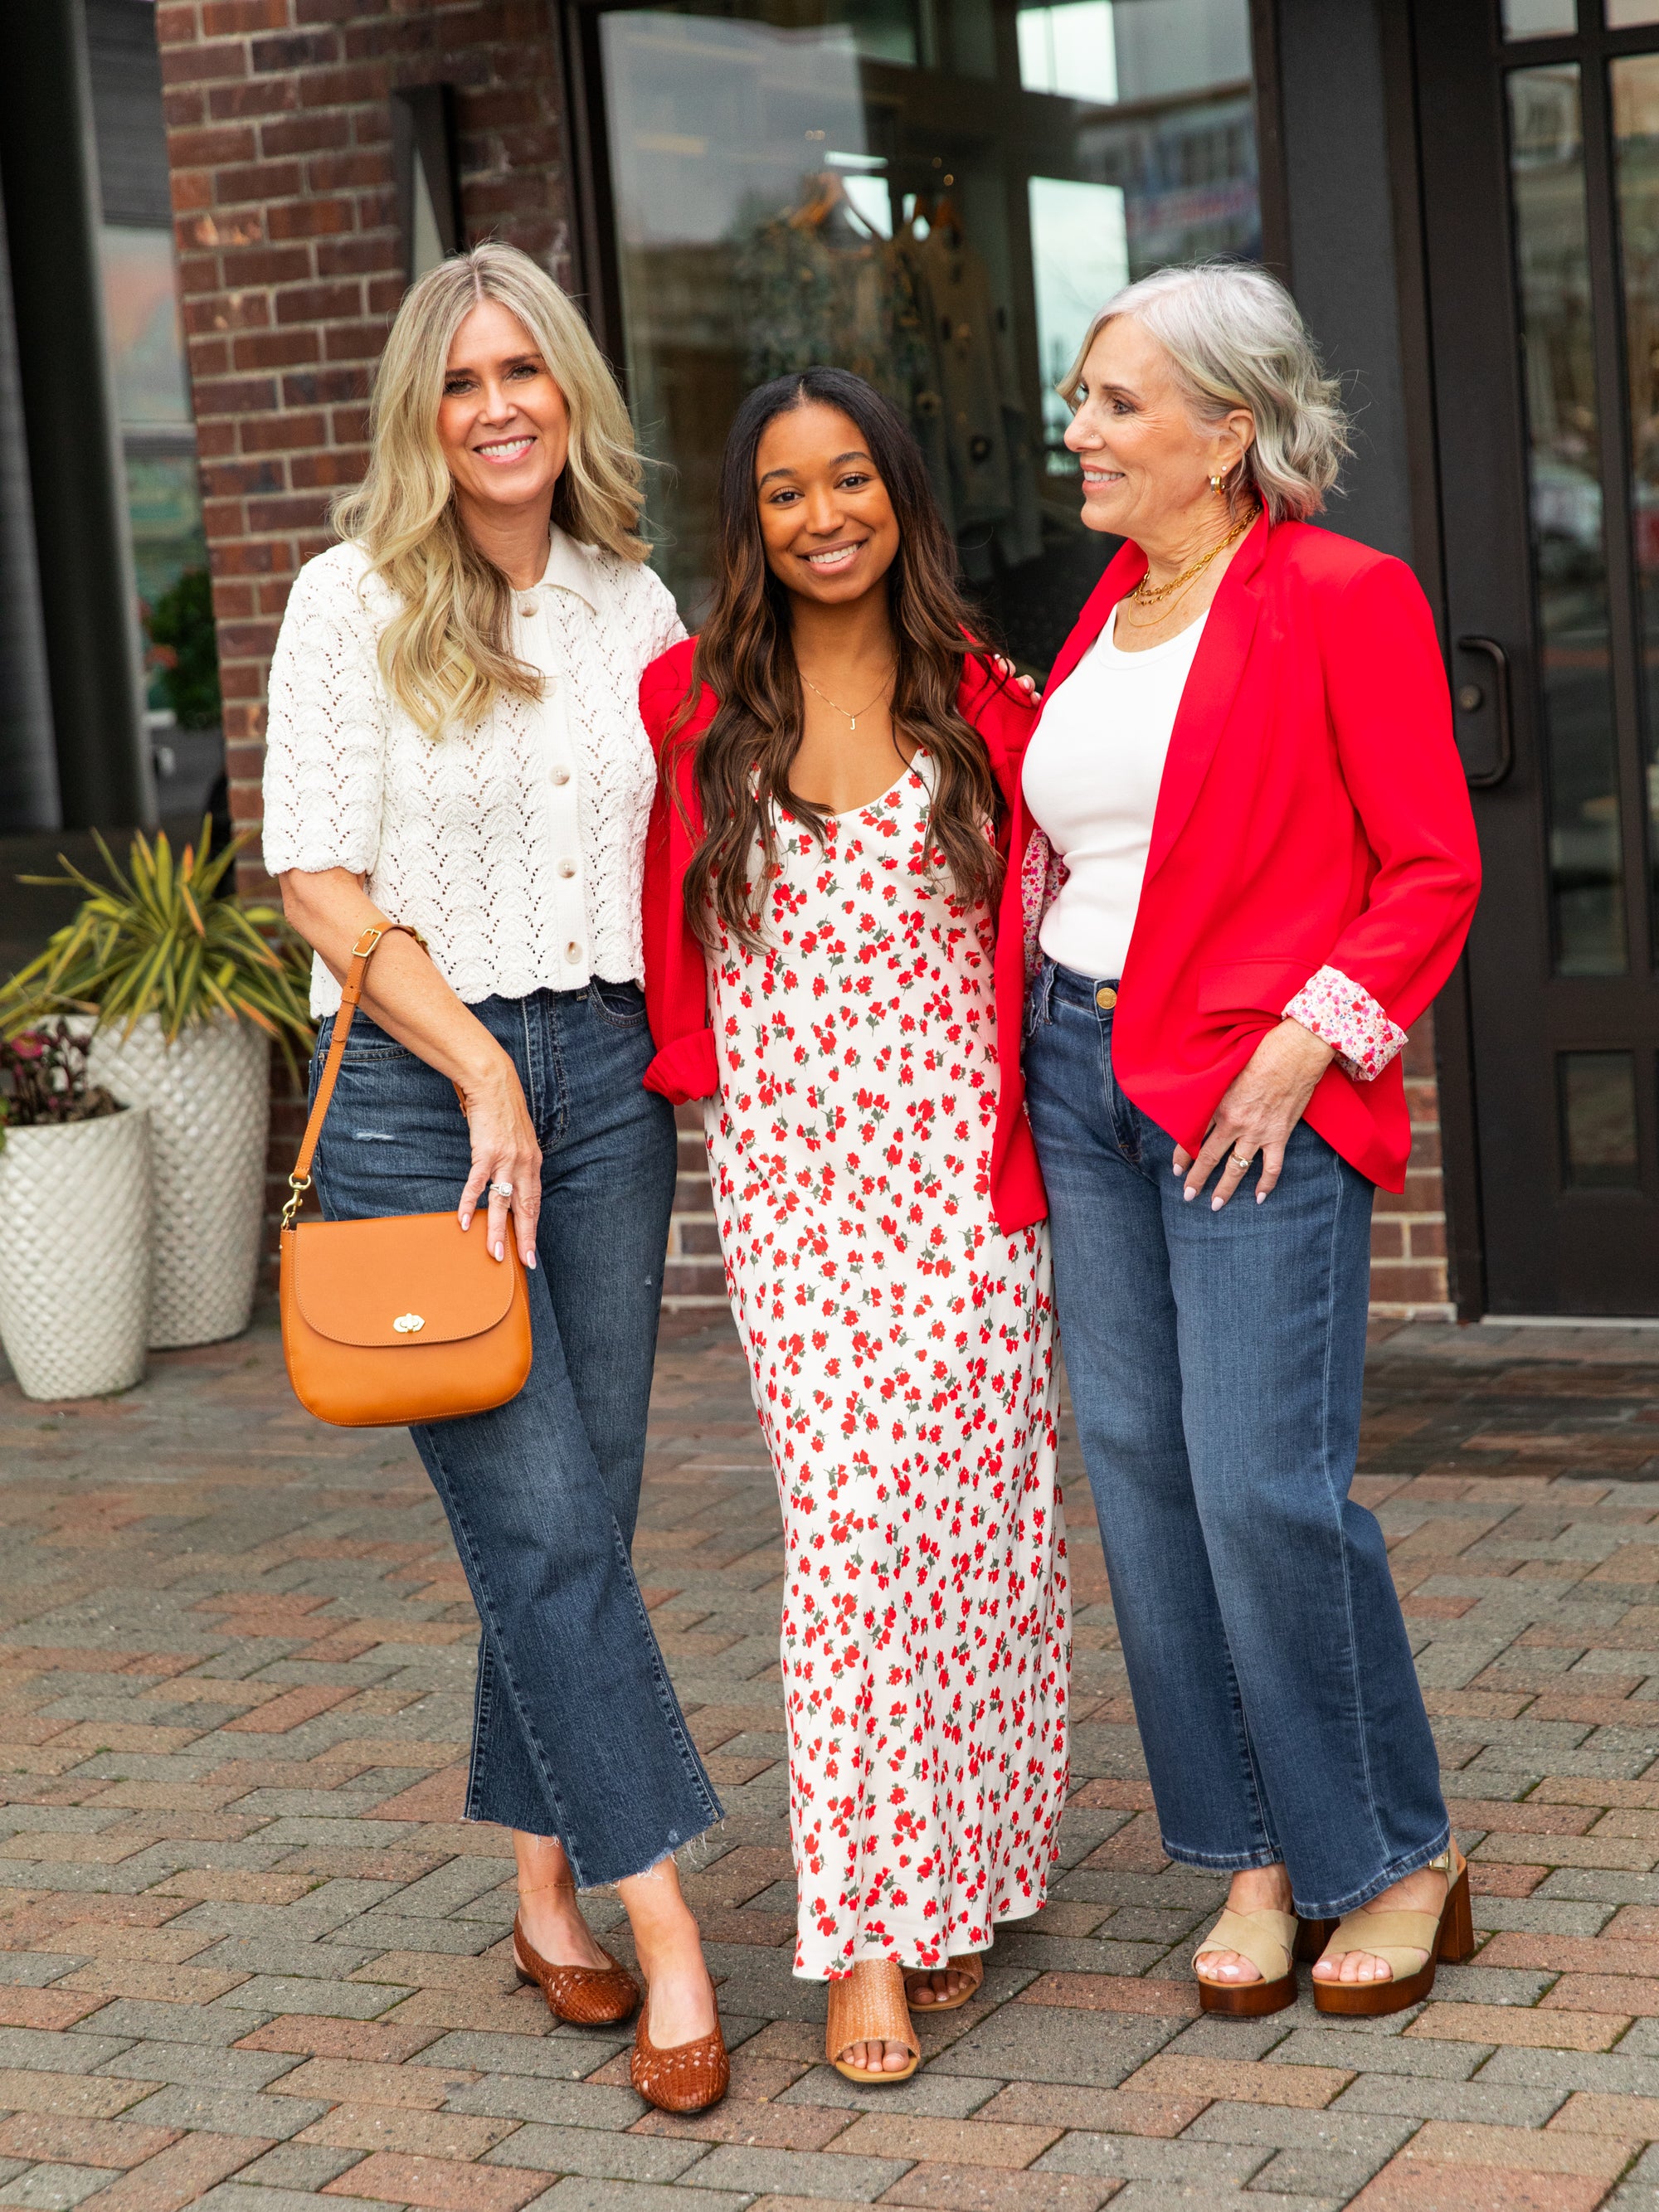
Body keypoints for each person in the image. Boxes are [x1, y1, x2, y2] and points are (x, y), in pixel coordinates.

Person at [261, 241, 729, 2112]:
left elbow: (693, 839)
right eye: (459, 380)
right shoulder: (345, 595)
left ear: (570, 393)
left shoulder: (631, 599)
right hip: (411, 1092)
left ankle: (541, 1885)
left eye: (523, 371)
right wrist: (476, 1072)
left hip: (608, 1080)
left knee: (583, 1511)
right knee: (534, 1522)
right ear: (418, 411)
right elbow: (314, 874)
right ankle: (669, 1922)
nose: (496, 406)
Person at [1013, 264, 1481, 2018]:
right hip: (1081, 1074)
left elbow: (1431, 863)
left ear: (1228, 432)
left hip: (1246, 1094)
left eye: (1118, 402)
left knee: (1260, 1484)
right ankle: (1257, 1851)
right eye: (1084, 396)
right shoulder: (1102, 611)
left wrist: (1305, 1044)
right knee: (1139, 1483)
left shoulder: (1341, 597)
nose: (1081, 429)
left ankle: (1395, 1849)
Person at [640, 368, 1069, 2081]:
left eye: (850, 482)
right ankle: (864, 1933)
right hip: (794, 1196)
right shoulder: (687, 698)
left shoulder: (988, 703)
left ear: (901, 492)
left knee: (972, 1538)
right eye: (782, 492)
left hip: (965, 1191)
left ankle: (967, 1871)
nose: (823, 517)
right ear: (744, 521)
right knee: (849, 1545)